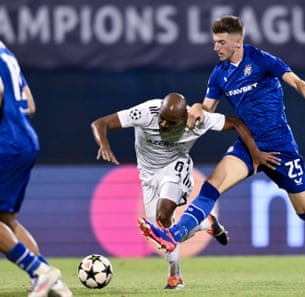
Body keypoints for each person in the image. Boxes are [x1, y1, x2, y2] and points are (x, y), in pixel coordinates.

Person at [137, 15, 305, 253]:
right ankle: (172, 235)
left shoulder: (261, 60)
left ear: (237, 42)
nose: (215, 47)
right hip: (249, 145)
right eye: (215, 41)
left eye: (220, 42)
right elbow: (208, 109)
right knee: (211, 188)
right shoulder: (219, 74)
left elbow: (296, 81)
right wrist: (198, 107)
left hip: (280, 146)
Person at [91, 92, 280, 289]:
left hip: (175, 167)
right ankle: (205, 223)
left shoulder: (197, 120)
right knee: (159, 233)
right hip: (147, 175)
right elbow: (99, 123)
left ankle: (175, 276)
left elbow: (236, 123)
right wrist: (104, 144)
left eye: (170, 122)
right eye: (162, 118)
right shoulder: (147, 112)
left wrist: (255, 153)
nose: (163, 124)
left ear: (183, 118)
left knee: (163, 216)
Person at [0, 1, 72, 297]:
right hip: (26, 139)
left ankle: (42, 272)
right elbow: (29, 104)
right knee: (3, 218)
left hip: (10, 142)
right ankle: (51, 282)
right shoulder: (2, 50)